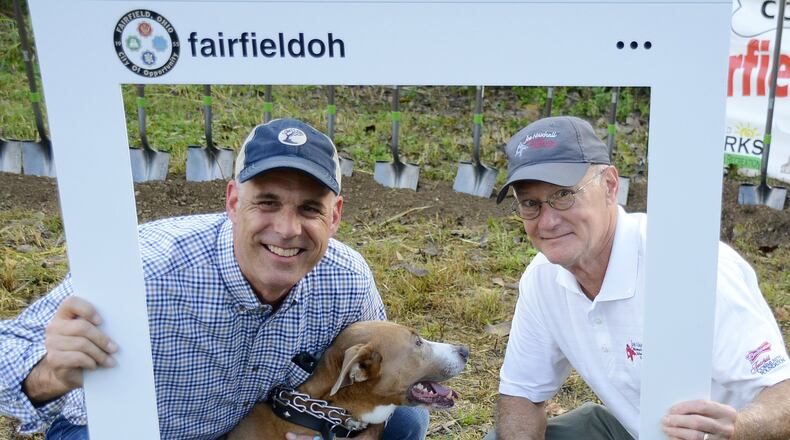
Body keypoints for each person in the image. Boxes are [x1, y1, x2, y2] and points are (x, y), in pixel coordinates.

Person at [0, 118, 429, 439]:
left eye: (309, 209)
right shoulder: (144, 268)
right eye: (267, 203)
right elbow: (8, 354)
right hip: (130, 430)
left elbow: (380, 373)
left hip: (250, 426)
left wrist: (367, 433)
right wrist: (51, 372)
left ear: (334, 216)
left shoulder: (347, 279)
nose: (286, 229)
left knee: (405, 420)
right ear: (233, 201)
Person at [487, 116, 790, 440]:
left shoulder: (693, 270)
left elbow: (783, 396)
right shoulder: (542, 279)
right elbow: (521, 394)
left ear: (610, 186)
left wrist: (738, 427)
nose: (547, 222)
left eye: (564, 195)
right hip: (637, 429)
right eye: (530, 204)